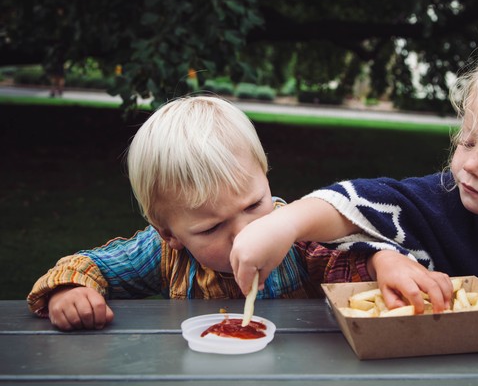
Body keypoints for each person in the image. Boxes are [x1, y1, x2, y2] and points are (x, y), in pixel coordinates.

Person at [230, 35, 478, 331]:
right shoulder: (442, 199)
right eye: (466, 141)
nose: (470, 166)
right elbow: (355, 201)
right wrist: (284, 223)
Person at [27, 96, 372, 331]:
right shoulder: (162, 255)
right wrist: (71, 292)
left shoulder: (295, 238)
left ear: (265, 177)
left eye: (253, 205)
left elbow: (349, 265)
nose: (246, 233)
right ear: (170, 234)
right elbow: (89, 266)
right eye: (211, 228)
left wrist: (380, 263)